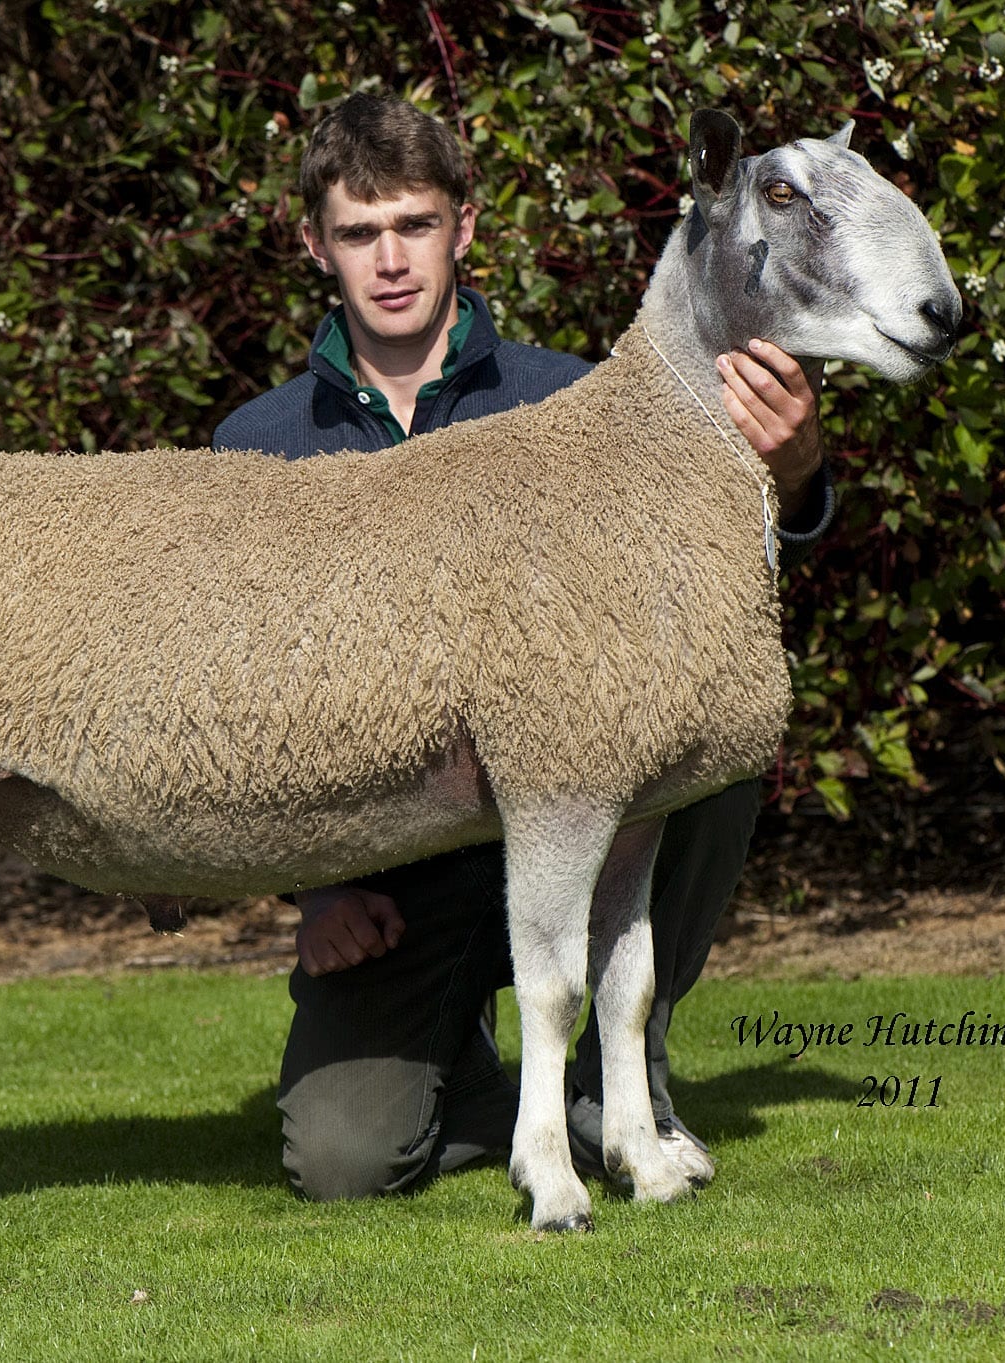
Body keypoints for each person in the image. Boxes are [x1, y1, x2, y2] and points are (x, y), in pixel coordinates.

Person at [211, 92, 832, 1201]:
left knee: (709, 744)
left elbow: (708, 602)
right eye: (359, 233)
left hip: (578, 826)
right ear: (315, 245)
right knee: (345, 1161)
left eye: (413, 223)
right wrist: (304, 894)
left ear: (463, 226)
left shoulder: (576, 399)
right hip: (388, 871)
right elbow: (229, 715)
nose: (389, 260)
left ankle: (613, 1069)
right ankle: (482, 1081)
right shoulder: (256, 449)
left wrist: (791, 475)